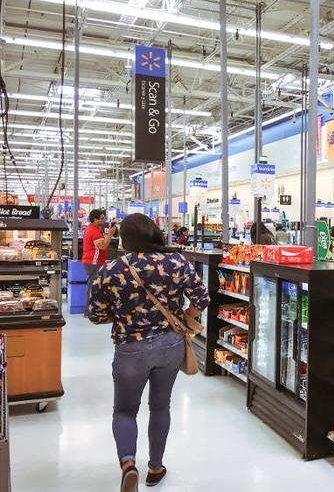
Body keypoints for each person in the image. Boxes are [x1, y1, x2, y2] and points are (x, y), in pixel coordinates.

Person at [87, 214, 209, 491]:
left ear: (125, 239)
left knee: (125, 411)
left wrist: (120, 316)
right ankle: (155, 467)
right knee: (160, 406)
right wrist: (186, 316)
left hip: (130, 348)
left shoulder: (112, 269)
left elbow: (94, 313)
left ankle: (129, 464)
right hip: (170, 345)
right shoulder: (178, 262)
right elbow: (202, 297)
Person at [83, 208, 118, 291]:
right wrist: (110, 234)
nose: (104, 220)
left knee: (94, 285)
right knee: (93, 287)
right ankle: (90, 303)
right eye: (102, 218)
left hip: (94, 262)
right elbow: (102, 246)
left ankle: (91, 302)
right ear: (95, 219)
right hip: (94, 262)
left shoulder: (94, 228)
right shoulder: (93, 231)